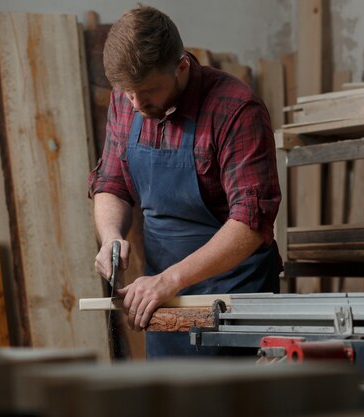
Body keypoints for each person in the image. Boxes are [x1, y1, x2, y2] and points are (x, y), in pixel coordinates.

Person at [88, 3, 282, 358]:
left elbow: (251, 223)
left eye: (146, 92)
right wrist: (111, 237)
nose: (135, 104)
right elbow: (111, 184)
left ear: (180, 67)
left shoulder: (235, 110)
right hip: (162, 300)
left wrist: (170, 280)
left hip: (233, 298)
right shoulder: (127, 99)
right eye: (127, 93)